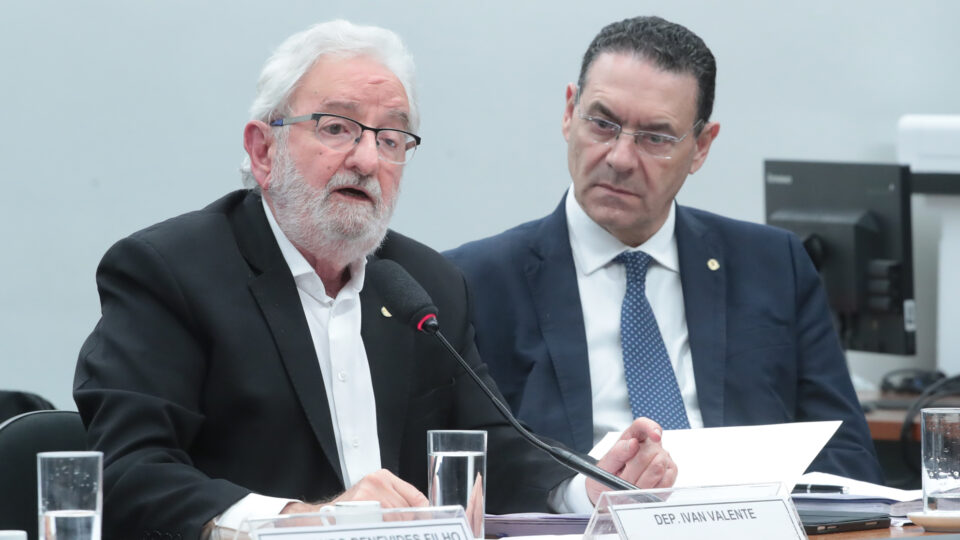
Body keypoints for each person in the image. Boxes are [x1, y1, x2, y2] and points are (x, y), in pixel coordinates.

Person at [73, 20, 676, 540]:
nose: (367, 159)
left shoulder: (424, 283)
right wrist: (298, 522)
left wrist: (589, 488)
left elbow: (492, 447)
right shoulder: (169, 271)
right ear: (263, 150)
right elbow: (126, 470)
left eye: (391, 138)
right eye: (337, 128)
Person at [445, 16, 883, 484]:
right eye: (602, 123)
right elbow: (463, 467)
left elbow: (847, 456)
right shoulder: (473, 281)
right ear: (569, 112)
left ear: (701, 147)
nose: (619, 158)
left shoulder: (774, 265)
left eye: (655, 137)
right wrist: (578, 495)